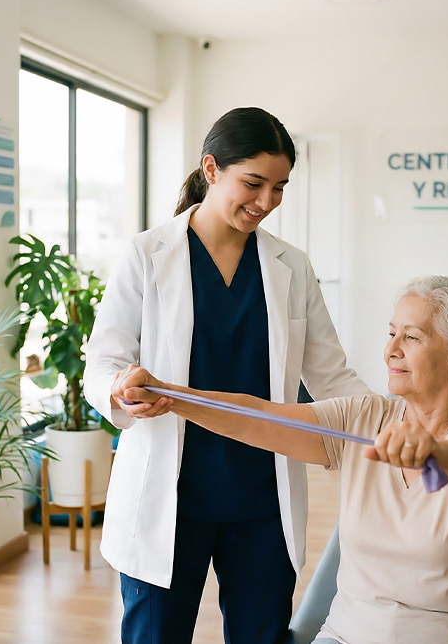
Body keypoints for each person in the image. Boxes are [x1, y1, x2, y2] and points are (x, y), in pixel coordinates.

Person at [84, 106, 371, 644]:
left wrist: (399, 424)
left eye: (279, 187)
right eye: (254, 183)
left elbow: (332, 376)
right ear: (212, 169)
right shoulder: (147, 254)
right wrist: (120, 389)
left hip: (262, 499)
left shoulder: (291, 266)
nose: (267, 202)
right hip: (170, 498)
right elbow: (102, 363)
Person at [113, 275, 448, 644]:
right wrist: (167, 394)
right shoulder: (365, 416)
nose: (391, 350)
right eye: (391, 334)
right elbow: (258, 419)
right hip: (349, 635)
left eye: (412, 338)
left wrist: (437, 451)